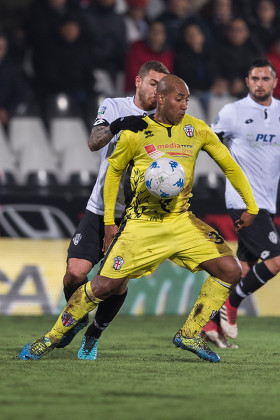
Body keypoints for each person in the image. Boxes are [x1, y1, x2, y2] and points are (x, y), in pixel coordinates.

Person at [19, 74, 259, 363]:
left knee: (231, 270)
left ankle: (189, 333)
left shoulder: (198, 129)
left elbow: (230, 166)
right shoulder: (137, 131)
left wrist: (252, 207)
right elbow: (113, 174)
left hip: (181, 221)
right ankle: (50, 339)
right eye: (178, 99)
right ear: (160, 98)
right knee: (102, 286)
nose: (185, 106)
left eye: (187, 100)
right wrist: (109, 223)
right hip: (141, 224)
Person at [46, 61, 170, 360]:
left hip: (134, 215)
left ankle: (93, 336)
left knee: (116, 282)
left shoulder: (166, 121)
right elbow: (93, 142)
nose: (157, 91)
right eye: (153, 83)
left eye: (162, 87)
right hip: (99, 207)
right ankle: (77, 318)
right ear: (139, 81)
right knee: (74, 275)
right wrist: (118, 125)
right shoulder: (114, 106)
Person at [201, 58, 280, 347]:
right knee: (275, 259)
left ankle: (209, 324)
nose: (260, 83)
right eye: (255, 78)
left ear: (274, 82)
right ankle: (232, 304)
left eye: (265, 78)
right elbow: (208, 141)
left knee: (243, 270)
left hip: (268, 201)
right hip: (244, 201)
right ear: (247, 82)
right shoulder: (233, 112)